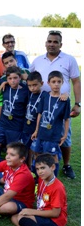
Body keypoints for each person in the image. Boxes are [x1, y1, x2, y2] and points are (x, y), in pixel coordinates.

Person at [29, 30, 80, 179]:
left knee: (65, 137)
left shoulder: (69, 59)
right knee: (43, 137)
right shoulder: (38, 60)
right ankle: (41, 167)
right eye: (49, 41)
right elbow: (29, 76)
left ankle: (66, 165)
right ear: (45, 43)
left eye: (55, 42)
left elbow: (76, 81)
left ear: (60, 44)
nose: (52, 44)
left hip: (61, 105)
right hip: (44, 104)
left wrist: (78, 103)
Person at [10, 154, 67, 226]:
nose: (40, 172)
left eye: (43, 168)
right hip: (43, 213)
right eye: (37, 169)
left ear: (53, 167)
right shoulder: (42, 179)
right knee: (14, 218)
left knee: (22, 217)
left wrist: (32, 212)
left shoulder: (58, 187)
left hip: (55, 221)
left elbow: (55, 213)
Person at [30, 71, 72, 167]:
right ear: (48, 83)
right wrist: (36, 130)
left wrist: (65, 135)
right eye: (53, 82)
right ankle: (37, 175)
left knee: (52, 156)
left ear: (62, 82)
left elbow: (67, 119)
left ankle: (53, 178)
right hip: (41, 133)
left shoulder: (64, 100)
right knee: (37, 153)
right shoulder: (45, 95)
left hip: (53, 135)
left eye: (59, 81)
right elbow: (40, 114)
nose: (56, 84)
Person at [0, 66, 30, 150]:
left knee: (13, 147)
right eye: (10, 78)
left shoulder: (25, 90)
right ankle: (2, 158)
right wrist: (4, 82)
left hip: (16, 125)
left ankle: (10, 160)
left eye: (15, 78)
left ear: (20, 78)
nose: (12, 81)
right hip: (3, 123)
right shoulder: (5, 86)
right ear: (7, 79)